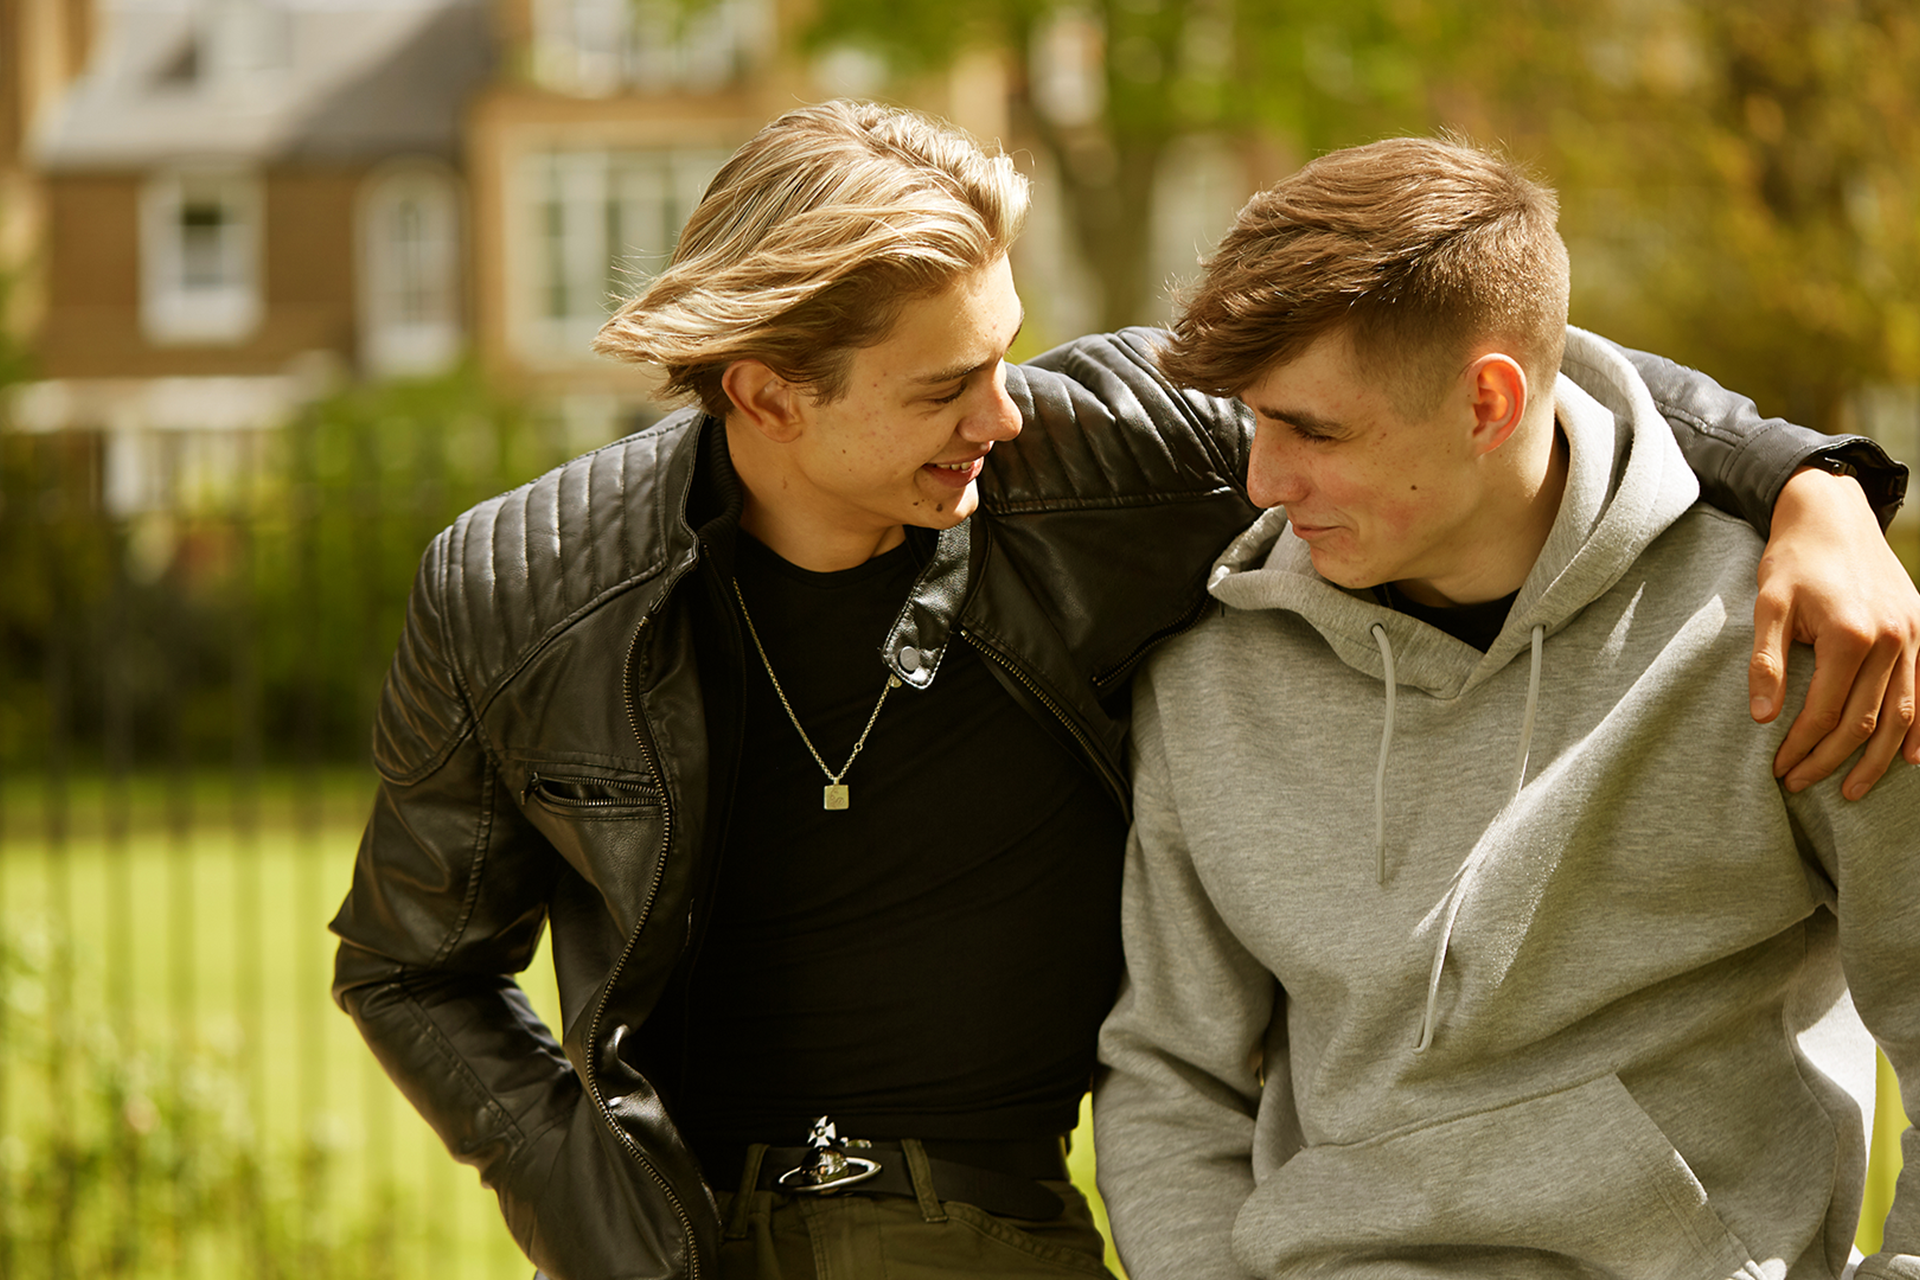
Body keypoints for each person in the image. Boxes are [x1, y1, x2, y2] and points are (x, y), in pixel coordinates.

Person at [330, 102, 1917, 1280]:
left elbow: (1468, 353)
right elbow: (409, 965)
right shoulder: (521, 591)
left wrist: (1813, 484)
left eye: (1007, 353)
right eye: (947, 386)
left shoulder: (1098, 461)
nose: (1006, 416)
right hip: (663, 1222)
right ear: (768, 395)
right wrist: (588, 1209)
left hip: (975, 1218)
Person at [1094, 135, 1919, 1280]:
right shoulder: (1211, 674)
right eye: (1256, 421)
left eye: (1314, 431)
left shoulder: (1784, 636)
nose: (1264, 482)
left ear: (1489, 400)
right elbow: (1168, 1076)